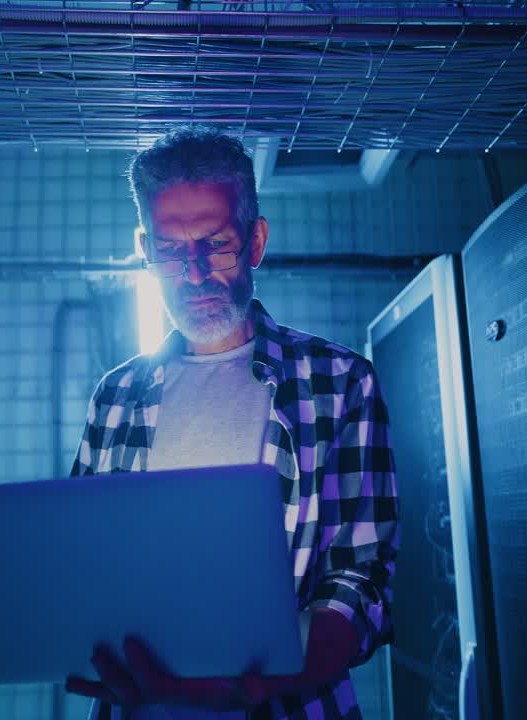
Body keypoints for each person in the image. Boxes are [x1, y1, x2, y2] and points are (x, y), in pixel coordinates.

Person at [65, 125, 399, 720]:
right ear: (146, 249)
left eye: (215, 245)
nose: (193, 273)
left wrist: (251, 684)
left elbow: (362, 582)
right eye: (171, 250)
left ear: (256, 241)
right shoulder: (115, 395)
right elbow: (82, 565)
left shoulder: (341, 382)